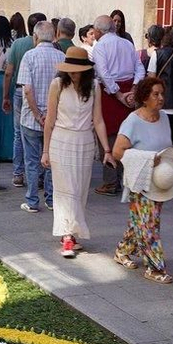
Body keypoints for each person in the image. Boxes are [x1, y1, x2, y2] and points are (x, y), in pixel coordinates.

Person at [112, 74, 173, 284]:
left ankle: (122, 251)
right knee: (149, 225)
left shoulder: (164, 117)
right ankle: (154, 267)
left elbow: (164, 148)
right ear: (144, 97)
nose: (161, 98)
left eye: (162, 94)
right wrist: (148, 159)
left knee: (141, 222)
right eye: (156, 94)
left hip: (159, 182)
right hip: (141, 182)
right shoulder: (132, 121)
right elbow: (117, 152)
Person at [41, 43, 113, 258]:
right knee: (65, 191)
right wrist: (45, 151)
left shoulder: (94, 86)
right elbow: (50, 120)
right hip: (60, 141)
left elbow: (98, 120)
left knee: (79, 190)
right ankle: (67, 237)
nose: (72, 74)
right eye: (69, 69)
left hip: (84, 142)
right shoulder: (57, 85)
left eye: (76, 70)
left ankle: (73, 234)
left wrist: (106, 150)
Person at [16, 20, 60, 213]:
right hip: (55, 118)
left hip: (31, 118)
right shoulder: (61, 56)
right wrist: (48, 115)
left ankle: (33, 200)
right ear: (55, 37)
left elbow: (27, 89)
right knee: (51, 160)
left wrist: (37, 114)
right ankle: (51, 199)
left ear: (35, 37)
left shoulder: (29, 56)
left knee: (32, 161)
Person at [91, 16, 137, 195]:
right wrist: (132, 90)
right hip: (127, 91)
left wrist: (118, 94)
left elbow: (103, 73)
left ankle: (110, 181)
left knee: (107, 135)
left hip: (111, 94)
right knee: (126, 134)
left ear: (98, 31)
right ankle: (125, 178)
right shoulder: (127, 43)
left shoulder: (100, 46)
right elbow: (139, 68)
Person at [3, 12, 47, 188]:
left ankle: (18, 173)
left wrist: (5, 95)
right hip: (42, 93)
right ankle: (42, 175)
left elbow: (8, 71)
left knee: (18, 134)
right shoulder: (52, 47)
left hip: (21, 91)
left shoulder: (18, 44)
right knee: (44, 135)